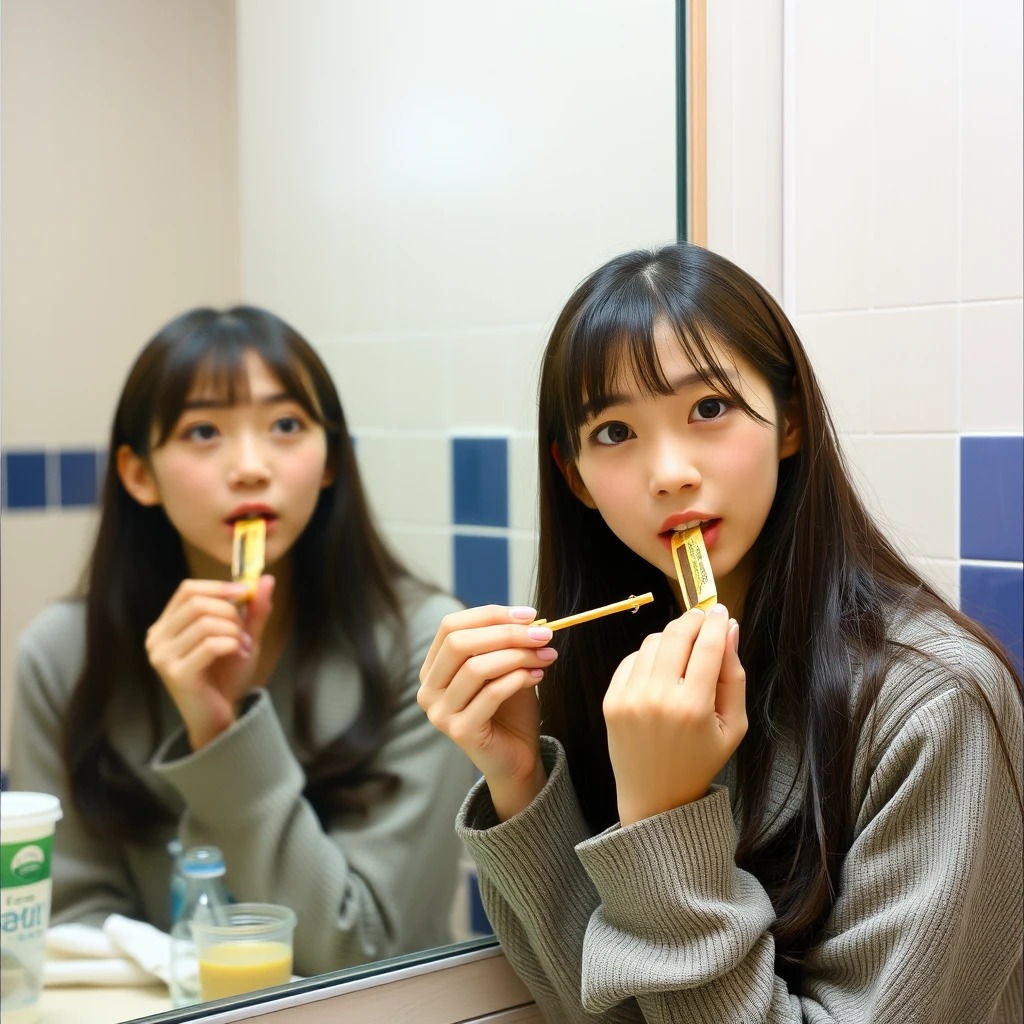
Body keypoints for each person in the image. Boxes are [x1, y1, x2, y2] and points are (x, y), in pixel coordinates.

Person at [417, 244, 1024, 1021]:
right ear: (576, 479)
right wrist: (519, 783)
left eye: (709, 410)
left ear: (790, 421)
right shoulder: (631, 686)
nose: (668, 471)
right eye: (613, 432)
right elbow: (602, 1009)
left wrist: (667, 820)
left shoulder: (936, 703)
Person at [9, 306, 473, 976]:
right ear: (139, 474)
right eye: (203, 432)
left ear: (332, 460)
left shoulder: (424, 646)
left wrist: (221, 735)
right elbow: (73, 934)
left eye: (286, 426)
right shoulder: (63, 657)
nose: (251, 467)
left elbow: (365, 952)